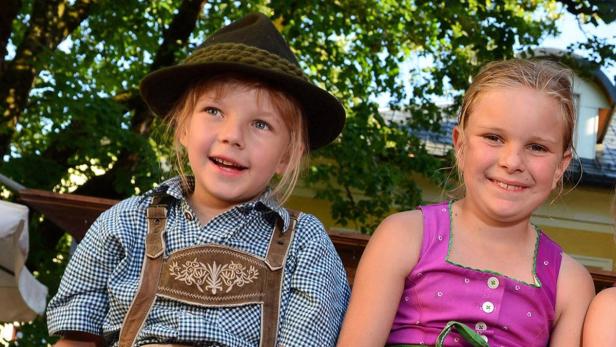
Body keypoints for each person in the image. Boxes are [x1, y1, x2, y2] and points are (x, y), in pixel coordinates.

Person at [47, 12, 350, 347]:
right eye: (214, 111)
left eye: (261, 124)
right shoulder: (125, 223)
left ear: (285, 155)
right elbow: (75, 340)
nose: (232, 136)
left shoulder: (304, 244)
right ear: (182, 127)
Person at [337, 58, 594, 347]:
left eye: (537, 147)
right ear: (460, 145)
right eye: (494, 138)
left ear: (561, 165)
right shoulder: (404, 236)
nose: (512, 162)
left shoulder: (568, 283)